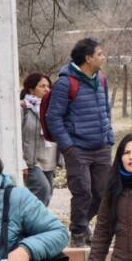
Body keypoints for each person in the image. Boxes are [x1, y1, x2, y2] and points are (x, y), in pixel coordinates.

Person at [45, 38, 114, 248]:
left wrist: (109, 137)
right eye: (100, 54)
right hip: (78, 149)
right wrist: (68, 147)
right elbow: (53, 118)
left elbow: (106, 111)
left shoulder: (101, 80)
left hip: (101, 147)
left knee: (103, 194)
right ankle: (77, 234)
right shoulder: (66, 83)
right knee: (83, 191)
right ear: (88, 58)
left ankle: (82, 225)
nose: (103, 57)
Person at [19, 72, 58, 207]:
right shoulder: (24, 108)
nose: (47, 89)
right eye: (42, 86)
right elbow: (17, 136)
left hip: (49, 158)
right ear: (31, 89)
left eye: (48, 86)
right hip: (31, 160)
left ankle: (37, 223)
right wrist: (21, 162)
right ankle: (33, 224)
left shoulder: (53, 108)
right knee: (42, 190)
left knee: (48, 194)